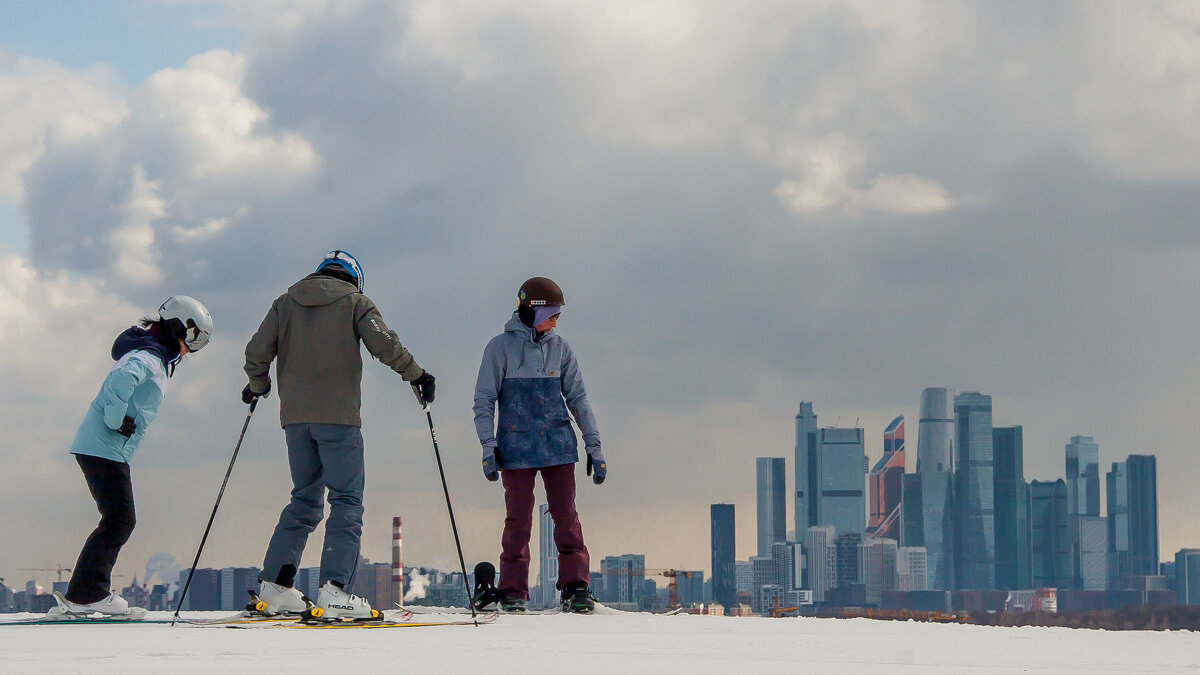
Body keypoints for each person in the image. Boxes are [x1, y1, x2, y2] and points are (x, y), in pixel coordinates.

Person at [244, 250, 434, 620]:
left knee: (304, 501)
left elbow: (256, 353)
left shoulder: (285, 304)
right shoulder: (355, 303)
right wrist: (417, 375)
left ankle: (275, 588)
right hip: (339, 421)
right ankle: (335, 591)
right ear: (354, 278)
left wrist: (258, 385)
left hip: (296, 422)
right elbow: (385, 344)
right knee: (346, 502)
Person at [58, 297, 213, 617]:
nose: (189, 351)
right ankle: (87, 593)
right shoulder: (149, 358)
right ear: (176, 328)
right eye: (191, 341)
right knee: (120, 520)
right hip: (104, 447)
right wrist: (116, 421)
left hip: (103, 448)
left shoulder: (151, 354)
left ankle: (83, 592)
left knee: (117, 520)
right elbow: (120, 380)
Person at [472, 276, 606, 613]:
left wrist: (595, 448)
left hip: (558, 445)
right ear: (531, 311)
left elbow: (579, 399)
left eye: (558, 316)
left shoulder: (561, 349)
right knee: (518, 520)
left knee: (566, 516)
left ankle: (575, 585)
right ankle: (512, 589)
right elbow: (484, 402)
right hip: (515, 449)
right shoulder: (499, 348)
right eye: (551, 314)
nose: (556, 322)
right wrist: (488, 447)